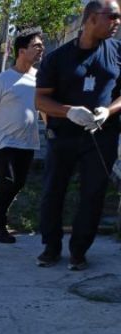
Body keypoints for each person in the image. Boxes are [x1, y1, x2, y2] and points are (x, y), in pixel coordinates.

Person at [35, 0, 121, 269]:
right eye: (113, 17)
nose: (117, 22)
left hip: (101, 137)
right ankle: (50, 247)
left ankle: (79, 251)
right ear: (92, 18)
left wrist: (108, 111)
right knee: (53, 190)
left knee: (93, 193)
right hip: (63, 136)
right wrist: (68, 111)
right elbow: (40, 100)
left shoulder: (118, 52)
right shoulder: (57, 58)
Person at [0, 27, 45, 243]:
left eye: (41, 45)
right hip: (4, 142)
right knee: (8, 182)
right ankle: (0, 225)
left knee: (19, 183)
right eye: (36, 46)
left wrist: (52, 131)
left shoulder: (40, 78)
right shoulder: (2, 80)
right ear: (22, 51)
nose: (41, 49)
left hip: (29, 142)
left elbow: (43, 109)